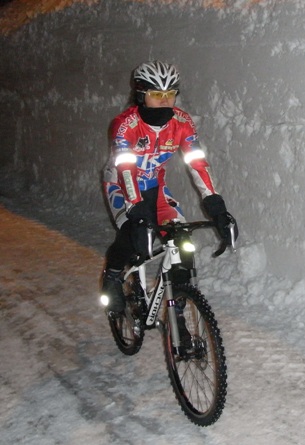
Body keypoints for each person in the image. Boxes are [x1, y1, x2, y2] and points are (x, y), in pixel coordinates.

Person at [101, 60, 238, 325]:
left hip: (155, 186)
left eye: (169, 95)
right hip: (120, 184)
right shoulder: (125, 125)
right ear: (141, 96)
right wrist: (137, 213)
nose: (164, 102)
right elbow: (126, 168)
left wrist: (216, 206)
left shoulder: (182, 122)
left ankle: (178, 312)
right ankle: (113, 274)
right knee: (131, 235)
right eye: (156, 95)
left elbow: (197, 162)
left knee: (182, 243)